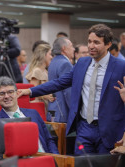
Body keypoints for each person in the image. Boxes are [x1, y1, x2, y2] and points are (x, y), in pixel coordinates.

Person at [18, 24, 125, 155]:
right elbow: (59, 83)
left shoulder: (121, 66)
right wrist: (31, 91)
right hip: (84, 128)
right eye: (89, 41)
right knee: (81, 163)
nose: (91, 46)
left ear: (108, 45)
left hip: (109, 130)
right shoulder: (82, 63)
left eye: (96, 42)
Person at [0, 76, 59, 154]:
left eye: (10, 92)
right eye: (2, 93)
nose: (6, 96)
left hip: (45, 157)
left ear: (17, 93)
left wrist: (56, 159)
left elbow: (48, 139)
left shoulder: (33, 113)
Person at [48, 37, 74, 123]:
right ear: (64, 48)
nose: (73, 49)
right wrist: (75, 111)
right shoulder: (65, 64)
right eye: (71, 46)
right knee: (62, 137)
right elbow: (68, 92)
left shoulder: (53, 62)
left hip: (53, 109)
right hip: (62, 113)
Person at [26, 43, 55, 112]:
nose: (52, 57)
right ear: (43, 55)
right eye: (50, 54)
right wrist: (46, 96)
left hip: (45, 106)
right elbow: (32, 92)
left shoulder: (45, 71)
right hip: (38, 107)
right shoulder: (37, 71)